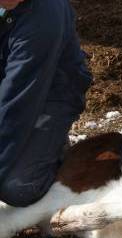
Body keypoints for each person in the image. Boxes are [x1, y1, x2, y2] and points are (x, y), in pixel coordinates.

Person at [0, 0, 92, 207]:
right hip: (12, 90)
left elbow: (17, 103)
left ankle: (55, 153)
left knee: (16, 188)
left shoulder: (45, 14)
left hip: (47, 95)